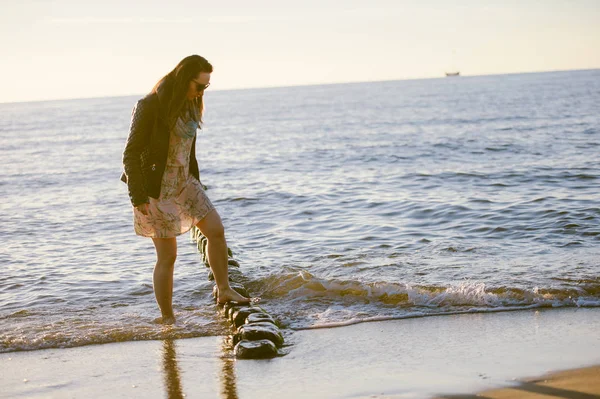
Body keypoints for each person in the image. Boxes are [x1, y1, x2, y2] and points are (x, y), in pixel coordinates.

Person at [121, 55, 252, 325]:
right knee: (168, 256)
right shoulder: (149, 105)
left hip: (185, 182)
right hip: (155, 187)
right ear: (184, 79)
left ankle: (224, 290)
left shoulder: (191, 105)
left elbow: (188, 151)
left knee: (216, 230)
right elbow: (131, 154)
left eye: (206, 87)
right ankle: (167, 317)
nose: (202, 91)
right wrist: (138, 196)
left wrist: (197, 182)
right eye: (199, 85)